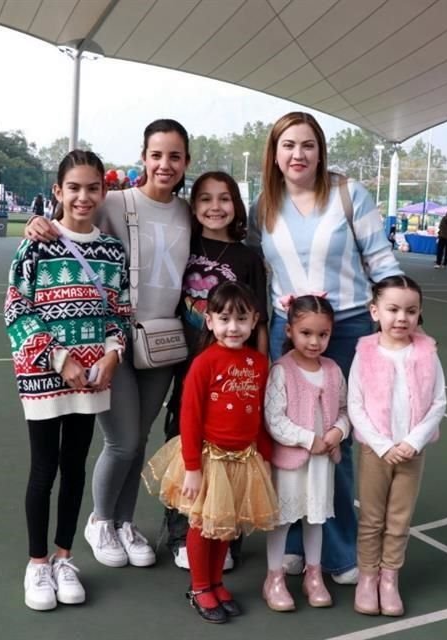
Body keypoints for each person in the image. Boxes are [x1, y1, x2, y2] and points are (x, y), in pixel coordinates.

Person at [25, 120, 192, 569]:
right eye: (157, 155)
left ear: (186, 163)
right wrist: (36, 222)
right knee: (122, 440)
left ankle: (124, 521)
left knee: (139, 441)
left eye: (175, 156)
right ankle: (101, 520)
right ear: (143, 158)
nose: (165, 164)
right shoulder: (114, 200)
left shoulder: (187, 212)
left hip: (160, 344)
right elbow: (70, 220)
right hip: (111, 341)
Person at [247, 111, 403, 585]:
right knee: (290, 436)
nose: (298, 154)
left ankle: (337, 551)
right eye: (288, 145)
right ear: (274, 154)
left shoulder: (347, 194)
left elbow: (380, 258)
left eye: (308, 145)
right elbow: (254, 266)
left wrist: (398, 318)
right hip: (284, 331)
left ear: (321, 151)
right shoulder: (264, 206)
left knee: (336, 439)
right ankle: (294, 541)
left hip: (348, 328)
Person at [5, 150, 132, 611]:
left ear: (104, 191)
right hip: (43, 377)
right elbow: (16, 309)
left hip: (93, 380)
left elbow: (120, 312)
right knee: (44, 469)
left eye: (92, 188)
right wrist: (59, 359)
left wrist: (114, 355)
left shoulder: (112, 251)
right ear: (58, 191)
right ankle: (37, 563)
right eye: (73, 187)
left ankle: (64, 557)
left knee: (76, 466)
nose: (83, 196)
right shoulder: (37, 243)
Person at [143, 282, 279, 624]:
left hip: (244, 460)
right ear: (210, 321)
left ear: (254, 321)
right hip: (209, 461)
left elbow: (259, 414)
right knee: (204, 524)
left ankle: (217, 582)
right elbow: (189, 418)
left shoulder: (258, 363)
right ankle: (200, 586)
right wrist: (192, 467)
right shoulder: (204, 363)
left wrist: (265, 454)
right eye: (224, 318)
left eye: (241, 319)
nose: (233, 327)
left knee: (227, 526)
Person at [166, 171, 269, 571]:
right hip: (186, 364)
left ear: (237, 206)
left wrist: (260, 372)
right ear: (193, 207)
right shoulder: (184, 245)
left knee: (234, 458)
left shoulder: (248, 258)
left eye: (224, 198)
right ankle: (180, 532)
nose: (214, 207)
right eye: (205, 199)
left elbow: (259, 320)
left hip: (234, 376)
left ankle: (229, 534)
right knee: (185, 441)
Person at [347, 275, 446, 617]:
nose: (401, 318)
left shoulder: (427, 353)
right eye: (393, 309)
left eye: (411, 311)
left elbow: (438, 402)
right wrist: (382, 444)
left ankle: (390, 579)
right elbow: (355, 405)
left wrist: (412, 442)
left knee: (399, 520)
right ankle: (367, 577)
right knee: (372, 519)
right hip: (377, 452)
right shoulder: (365, 353)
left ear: (419, 315)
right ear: (375, 311)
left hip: (411, 453)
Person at [262, 294, 350, 612]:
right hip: (291, 462)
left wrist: (338, 432)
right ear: (289, 332)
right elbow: (274, 418)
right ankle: (274, 577)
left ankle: (314, 575)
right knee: (282, 520)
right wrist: (308, 439)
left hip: (322, 462)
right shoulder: (282, 371)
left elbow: (343, 409)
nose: (314, 341)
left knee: (316, 519)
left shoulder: (333, 369)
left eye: (322, 334)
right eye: (306, 333)